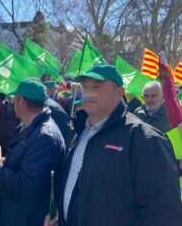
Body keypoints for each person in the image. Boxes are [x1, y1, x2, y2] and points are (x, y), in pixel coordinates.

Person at [58, 65, 182, 226]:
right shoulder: (80, 131)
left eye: (97, 86)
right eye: (85, 87)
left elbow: (163, 212)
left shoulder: (145, 139)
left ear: (119, 93)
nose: (88, 92)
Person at [0, 79, 66, 226]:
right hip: (17, 212)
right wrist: (4, 162)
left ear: (21, 101)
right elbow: (28, 164)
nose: (12, 103)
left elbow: (27, 184)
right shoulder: (29, 126)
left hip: (25, 217)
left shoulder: (44, 137)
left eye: (14, 99)